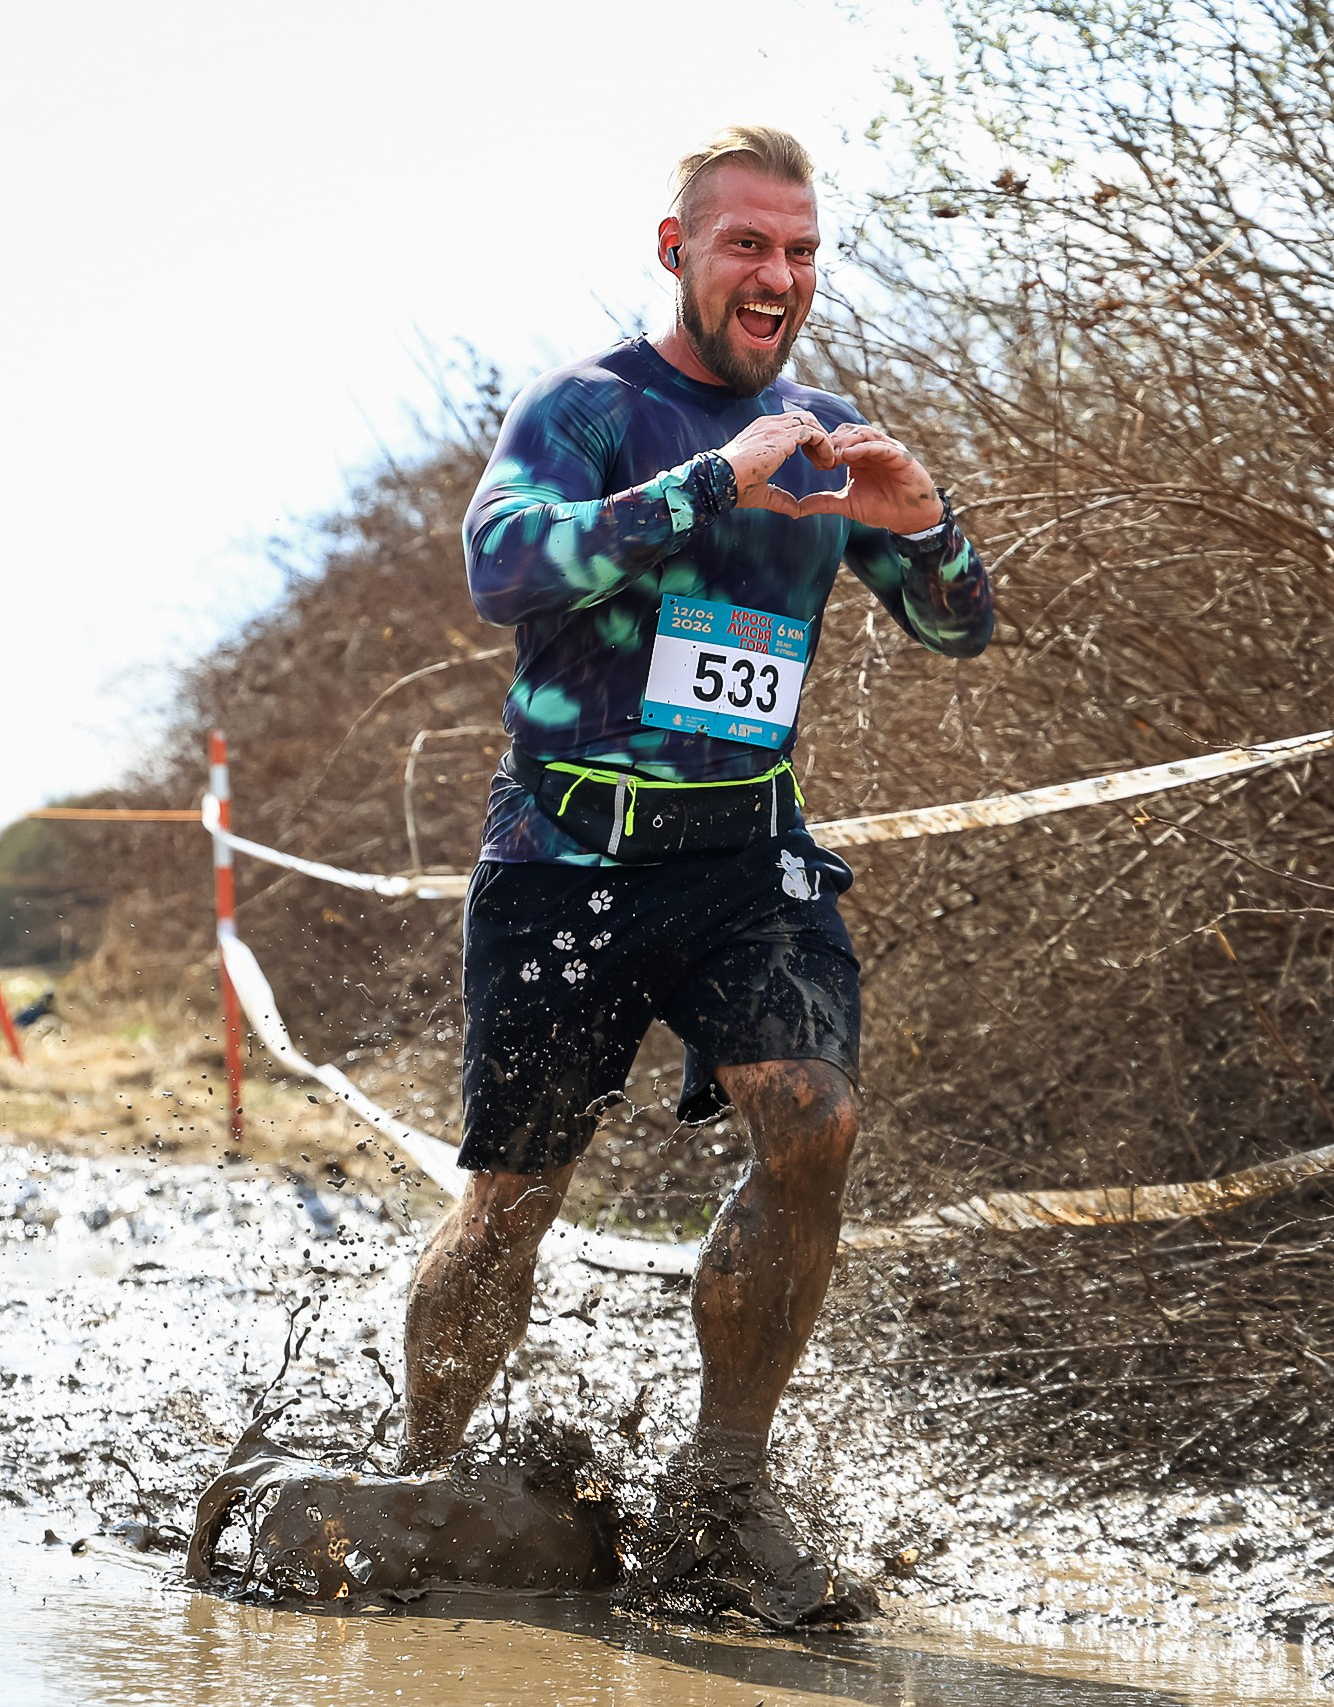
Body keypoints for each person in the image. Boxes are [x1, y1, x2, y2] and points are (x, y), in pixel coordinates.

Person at [403, 124, 992, 1625]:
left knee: (815, 1120)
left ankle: (720, 1496)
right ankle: (419, 1470)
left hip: (747, 854)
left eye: (800, 251)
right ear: (677, 250)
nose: (778, 277)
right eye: (748, 245)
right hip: (565, 856)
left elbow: (957, 630)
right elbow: (502, 571)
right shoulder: (590, 408)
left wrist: (926, 527)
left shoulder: (827, 427)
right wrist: (713, 486)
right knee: (514, 1197)